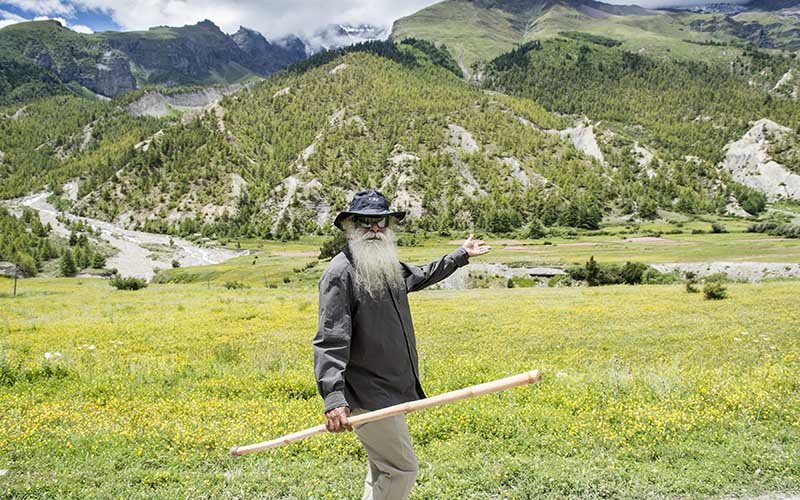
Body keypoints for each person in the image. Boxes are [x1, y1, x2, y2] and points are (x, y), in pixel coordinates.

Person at [313, 189, 491, 500]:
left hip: (391, 387)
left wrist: (461, 255)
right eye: (366, 222)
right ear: (351, 225)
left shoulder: (385, 265)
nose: (374, 230)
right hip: (368, 393)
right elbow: (331, 338)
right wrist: (334, 398)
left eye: (380, 222)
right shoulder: (340, 274)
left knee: (382, 468)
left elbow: (422, 275)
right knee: (402, 469)